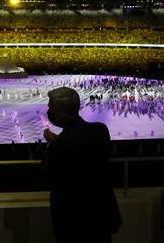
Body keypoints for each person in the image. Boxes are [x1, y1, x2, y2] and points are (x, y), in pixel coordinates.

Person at [43, 86, 122, 243]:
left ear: (59, 113)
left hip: (72, 222)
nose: (48, 110)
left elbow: (47, 176)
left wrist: (52, 145)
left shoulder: (58, 147)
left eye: (50, 107)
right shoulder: (100, 131)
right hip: (101, 216)